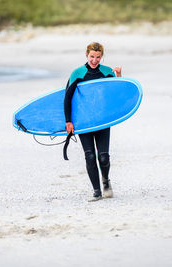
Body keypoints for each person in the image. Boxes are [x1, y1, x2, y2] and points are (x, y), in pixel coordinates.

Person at [64, 42, 122, 202]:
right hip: (84, 121)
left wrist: (118, 77)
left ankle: (106, 181)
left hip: (102, 120)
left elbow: (117, 94)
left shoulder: (107, 72)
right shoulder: (78, 73)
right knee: (89, 156)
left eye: (98, 57)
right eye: (92, 57)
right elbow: (67, 98)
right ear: (86, 55)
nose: (95, 60)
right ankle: (97, 191)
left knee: (103, 157)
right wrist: (68, 121)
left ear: (101, 56)